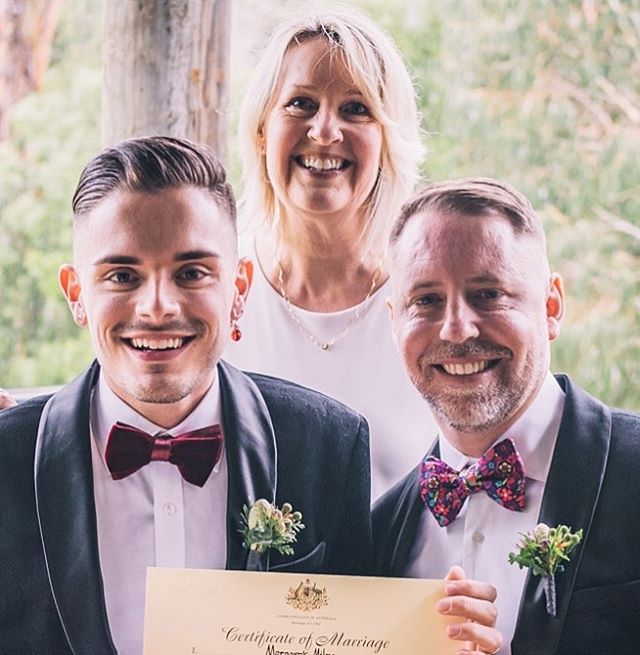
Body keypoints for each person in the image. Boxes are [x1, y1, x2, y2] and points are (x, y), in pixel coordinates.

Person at [0, 138, 501, 655]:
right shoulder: (5, 456)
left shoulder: (329, 444)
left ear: (239, 287)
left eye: (191, 272)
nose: (157, 307)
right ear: (77, 293)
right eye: (122, 276)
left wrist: (445, 638)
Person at [372, 177, 640, 654]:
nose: (456, 330)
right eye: (426, 301)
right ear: (395, 321)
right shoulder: (375, 533)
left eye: (488, 294)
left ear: (551, 306)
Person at [224, 10, 438, 500]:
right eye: (300, 103)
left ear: (388, 139)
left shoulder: (433, 300)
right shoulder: (211, 288)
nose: (324, 131)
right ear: (261, 130)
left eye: (356, 109)